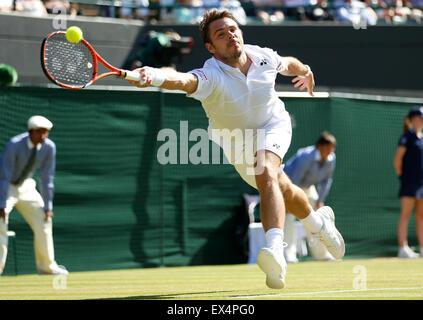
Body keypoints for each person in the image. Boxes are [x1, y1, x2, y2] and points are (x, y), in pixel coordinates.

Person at [127, 9, 345, 289]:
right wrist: (154, 75)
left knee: (267, 172)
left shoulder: (262, 56)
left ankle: (276, 250)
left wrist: (305, 70)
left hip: (273, 125)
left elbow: (288, 63)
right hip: (237, 146)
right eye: (221, 34)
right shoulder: (210, 76)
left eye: (233, 29)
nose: (230, 35)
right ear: (210, 47)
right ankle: (319, 224)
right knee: (282, 188)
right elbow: (183, 80)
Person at [0, 115, 68, 275]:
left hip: (26, 185)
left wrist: (48, 205)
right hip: (5, 186)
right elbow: (4, 176)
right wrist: (2, 204)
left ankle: (47, 267)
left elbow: (47, 178)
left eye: (46, 132)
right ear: (31, 132)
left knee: (44, 219)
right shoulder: (14, 145)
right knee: (0, 221)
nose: (44, 136)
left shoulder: (49, 147)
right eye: (40, 132)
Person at [283, 131, 337, 263]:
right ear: (320, 146)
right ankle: (289, 256)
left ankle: (322, 255)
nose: (330, 151)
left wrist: (320, 200)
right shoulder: (306, 156)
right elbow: (295, 178)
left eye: (332, 148)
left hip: (308, 187)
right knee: (289, 219)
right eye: (328, 148)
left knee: (316, 219)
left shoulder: (331, 158)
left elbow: (326, 181)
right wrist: (290, 200)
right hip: (289, 185)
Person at [393, 106, 423, 258]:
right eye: (417, 118)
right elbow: (397, 160)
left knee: (421, 216)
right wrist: (403, 176)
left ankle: (422, 248)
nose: (419, 121)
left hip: (421, 183)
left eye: (421, 118)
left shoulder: (422, 138)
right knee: (406, 214)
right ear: (411, 120)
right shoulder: (407, 137)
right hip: (409, 182)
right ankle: (403, 248)